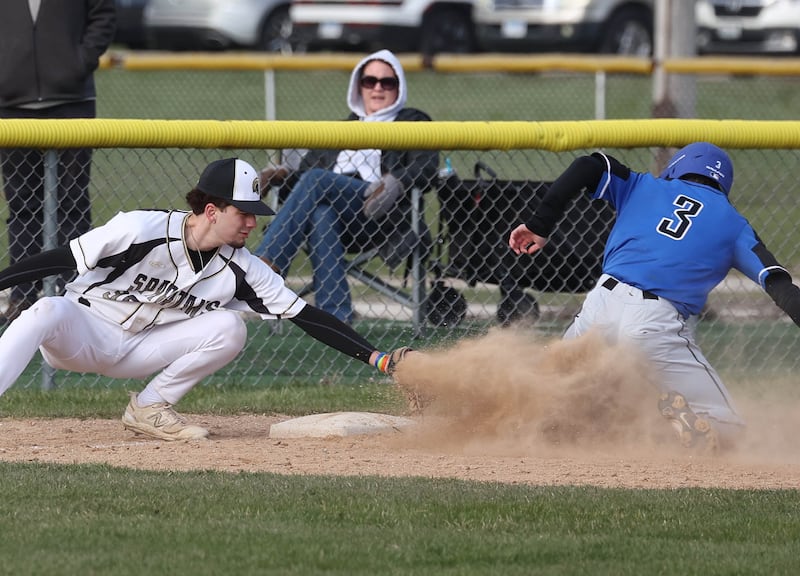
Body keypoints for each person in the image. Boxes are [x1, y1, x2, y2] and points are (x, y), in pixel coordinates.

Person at [0, 158, 413, 441]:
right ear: (212, 210)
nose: (252, 222)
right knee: (47, 308)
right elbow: (57, 259)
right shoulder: (141, 228)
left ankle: (149, 408)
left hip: (138, 350)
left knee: (229, 327)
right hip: (82, 333)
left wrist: (378, 358)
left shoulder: (243, 268)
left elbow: (307, 316)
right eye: (243, 212)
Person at [509, 142, 800, 453]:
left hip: (597, 311)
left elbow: (587, 165)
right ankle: (692, 426)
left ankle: (518, 422)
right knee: (730, 429)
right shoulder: (734, 225)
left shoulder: (643, 185)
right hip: (654, 324)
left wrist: (540, 225)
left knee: (553, 394)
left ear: (677, 168)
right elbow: (778, 283)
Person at [255, 49, 439, 324]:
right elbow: (302, 179)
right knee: (320, 212)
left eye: (387, 82)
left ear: (399, 87)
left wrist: (395, 182)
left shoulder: (413, 121)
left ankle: (265, 266)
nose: (377, 88)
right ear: (359, 85)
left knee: (318, 180)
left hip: (379, 214)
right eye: (369, 81)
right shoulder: (341, 128)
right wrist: (281, 174)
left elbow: (427, 166)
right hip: (335, 216)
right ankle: (337, 318)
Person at [0, 0, 116, 325]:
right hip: (11, 103)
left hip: (72, 101)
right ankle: (23, 297)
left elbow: (103, 15)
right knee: (22, 205)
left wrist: (78, 62)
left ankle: (74, 293)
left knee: (72, 202)